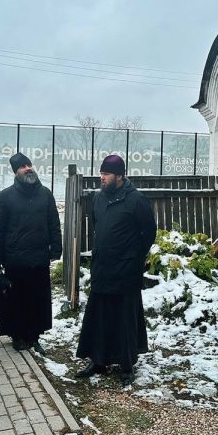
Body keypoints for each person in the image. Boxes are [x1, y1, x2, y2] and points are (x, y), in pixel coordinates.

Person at [75, 154, 156, 386]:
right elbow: (98, 227)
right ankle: (98, 360)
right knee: (99, 317)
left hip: (126, 271)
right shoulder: (99, 199)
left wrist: (133, 257)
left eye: (107, 174)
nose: (102, 177)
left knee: (124, 318)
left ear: (120, 175)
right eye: (101, 173)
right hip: (102, 268)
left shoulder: (136, 200)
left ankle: (126, 364)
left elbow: (148, 233)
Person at [0, 152, 62, 352]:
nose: (28, 168)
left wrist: (56, 248)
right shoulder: (5, 196)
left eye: (29, 164)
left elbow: (54, 223)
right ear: (16, 172)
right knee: (17, 300)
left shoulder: (45, 193)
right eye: (23, 166)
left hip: (39, 258)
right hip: (15, 259)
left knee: (37, 299)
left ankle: (34, 336)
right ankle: (18, 336)